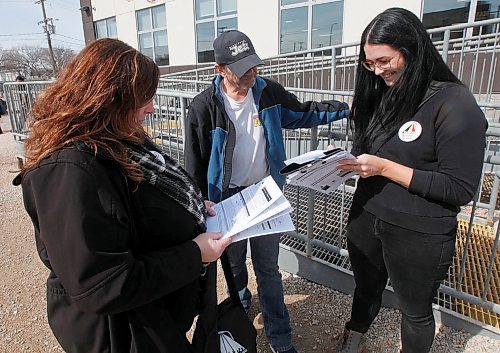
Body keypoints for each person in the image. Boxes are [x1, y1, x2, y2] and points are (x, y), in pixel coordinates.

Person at [13, 38, 231, 353]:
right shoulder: (69, 170)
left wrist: (194, 206)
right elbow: (102, 284)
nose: (152, 107)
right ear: (108, 99)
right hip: (122, 335)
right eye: (144, 98)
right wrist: (193, 254)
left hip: (155, 315)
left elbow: (143, 202)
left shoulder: (117, 137)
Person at [184, 30, 350, 353]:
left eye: (254, 65)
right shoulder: (204, 108)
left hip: (265, 195)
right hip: (227, 201)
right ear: (219, 69)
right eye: (242, 67)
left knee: (269, 270)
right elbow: (193, 164)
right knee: (233, 265)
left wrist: (345, 108)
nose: (252, 73)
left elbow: (305, 112)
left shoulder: (267, 92)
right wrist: (199, 205)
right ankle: (241, 301)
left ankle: (280, 338)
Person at [334, 8, 487, 353]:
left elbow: (459, 188)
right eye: (369, 63)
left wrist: (385, 168)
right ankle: (353, 339)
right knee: (365, 288)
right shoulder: (384, 92)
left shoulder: (454, 103)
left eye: (385, 60)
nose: (377, 71)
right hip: (368, 216)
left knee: (415, 313)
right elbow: (374, 151)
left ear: (412, 49)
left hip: (419, 232)